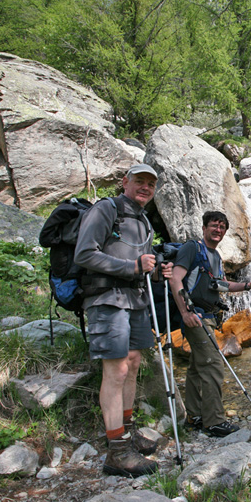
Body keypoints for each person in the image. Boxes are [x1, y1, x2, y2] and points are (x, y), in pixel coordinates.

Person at [74, 163, 172, 477]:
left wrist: (156, 271)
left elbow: (142, 265)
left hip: (136, 300)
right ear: (125, 182)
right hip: (107, 298)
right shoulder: (106, 209)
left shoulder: (144, 220)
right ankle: (117, 452)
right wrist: (132, 266)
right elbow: (84, 254)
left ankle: (126, 433)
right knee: (116, 369)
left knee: (132, 362)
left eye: (150, 184)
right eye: (139, 181)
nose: (145, 187)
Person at [168, 211, 251, 437]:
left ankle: (195, 415)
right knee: (213, 365)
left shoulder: (215, 256)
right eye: (214, 225)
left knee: (196, 366)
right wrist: (185, 312)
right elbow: (175, 278)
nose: (218, 230)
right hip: (195, 316)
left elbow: (220, 285)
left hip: (209, 317)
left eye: (222, 226)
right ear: (204, 227)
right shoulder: (192, 248)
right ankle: (214, 421)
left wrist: (248, 285)